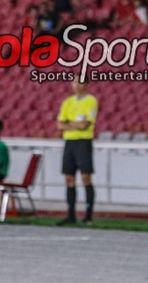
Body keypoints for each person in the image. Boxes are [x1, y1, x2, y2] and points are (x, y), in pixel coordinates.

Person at [56, 78, 98, 225]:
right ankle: (71, 214)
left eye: (80, 83)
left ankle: (88, 215)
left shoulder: (91, 101)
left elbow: (85, 125)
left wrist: (69, 123)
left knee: (86, 177)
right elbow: (60, 124)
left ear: (86, 84)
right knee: (69, 178)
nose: (77, 85)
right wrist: (75, 124)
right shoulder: (68, 102)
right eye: (75, 82)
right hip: (69, 142)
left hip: (83, 142)